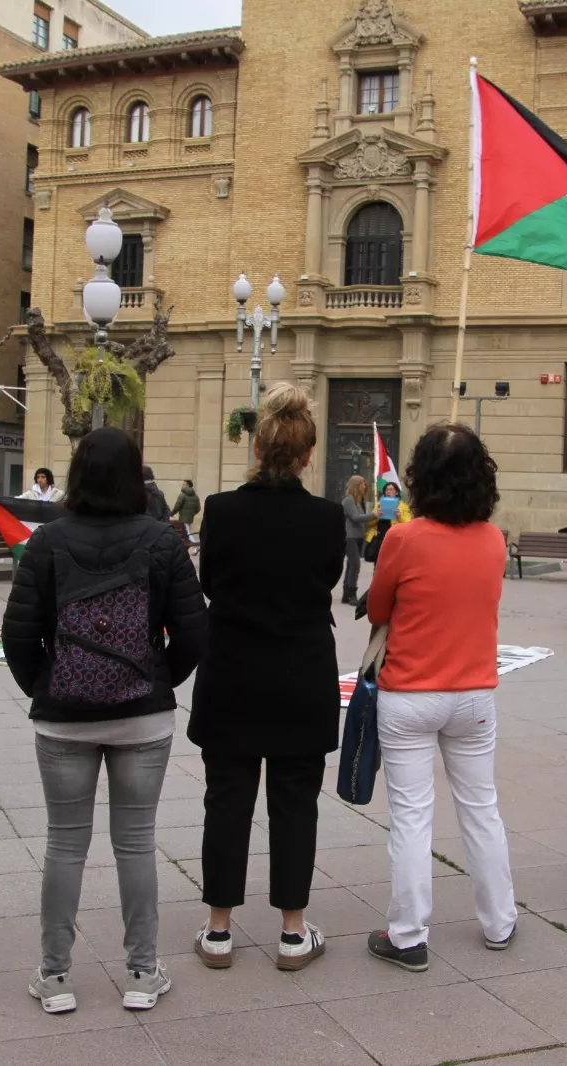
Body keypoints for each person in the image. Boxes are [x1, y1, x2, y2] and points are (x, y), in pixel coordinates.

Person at [2, 428, 208, 1014]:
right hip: (143, 718)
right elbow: (194, 631)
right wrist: (157, 677)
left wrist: (48, 686)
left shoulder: (47, 542)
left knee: (64, 846)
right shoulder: (163, 541)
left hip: (63, 721)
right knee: (136, 844)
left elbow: (18, 633)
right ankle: (143, 972)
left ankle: (55, 975)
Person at [189, 384, 344, 972]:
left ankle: (220, 929)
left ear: (257, 449)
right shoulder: (327, 519)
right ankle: (292, 932)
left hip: (232, 672)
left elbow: (210, 583)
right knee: (295, 803)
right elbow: (327, 580)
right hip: (302, 675)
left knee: (226, 799)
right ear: (306, 455)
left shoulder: (221, 509)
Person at [364, 424, 516, 971]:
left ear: (420, 477)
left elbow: (379, 609)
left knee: (410, 816)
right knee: (482, 809)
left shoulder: (404, 539)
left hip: (409, 694)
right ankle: (500, 920)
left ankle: (407, 934)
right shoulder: (493, 540)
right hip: (474, 694)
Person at [341, 474, 375, 605]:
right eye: (362, 484)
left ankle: (346, 593)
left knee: (351, 564)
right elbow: (355, 517)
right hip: (349, 537)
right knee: (355, 564)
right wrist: (374, 515)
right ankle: (352, 593)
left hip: (357, 536)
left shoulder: (358, 501)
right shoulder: (348, 500)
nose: (364, 486)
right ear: (355, 485)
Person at [363, 481, 410, 562]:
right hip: (379, 538)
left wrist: (400, 516)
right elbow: (369, 523)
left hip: (395, 539)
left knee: (393, 563)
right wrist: (377, 516)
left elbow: (409, 523)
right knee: (378, 563)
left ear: (396, 492)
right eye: (387, 490)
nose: (389, 491)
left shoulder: (403, 506)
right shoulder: (378, 505)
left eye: (391, 489)